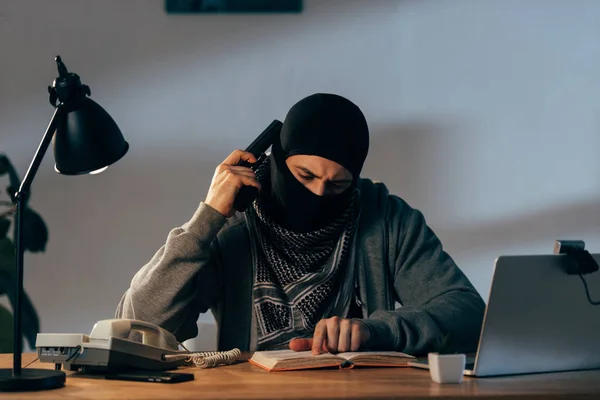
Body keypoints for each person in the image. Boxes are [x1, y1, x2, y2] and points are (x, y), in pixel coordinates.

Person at [116, 93, 485, 356]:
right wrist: (207, 218)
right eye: (304, 175)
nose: (318, 193)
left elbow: (468, 315)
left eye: (337, 184)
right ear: (276, 160)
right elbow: (137, 327)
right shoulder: (232, 224)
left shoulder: (385, 216)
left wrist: (375, 330)